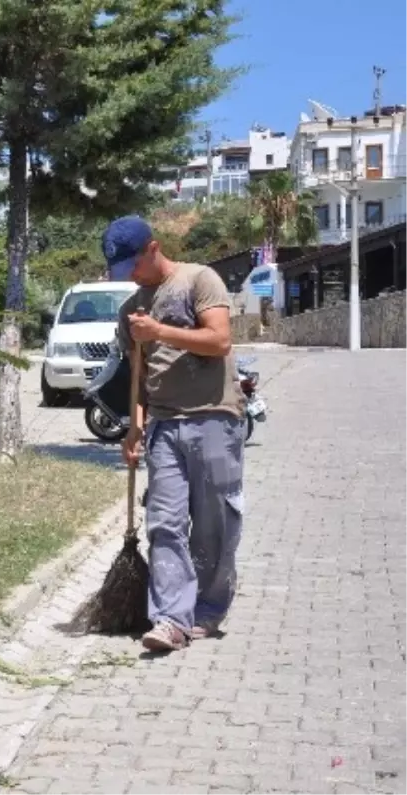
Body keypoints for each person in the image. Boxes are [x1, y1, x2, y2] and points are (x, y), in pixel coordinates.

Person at [104, 215, 246, 653]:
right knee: (164, 523)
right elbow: (140, 379)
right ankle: (170, 619)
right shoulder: (130, 312)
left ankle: (209, 607)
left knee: (213, 525)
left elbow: (219, 340)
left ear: (153, 247)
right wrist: (134, 427)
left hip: (214, 418)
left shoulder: (200, 280)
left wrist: (160, 331)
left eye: (134, 264)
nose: (131, 276)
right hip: (164, 426)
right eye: (121, 270)